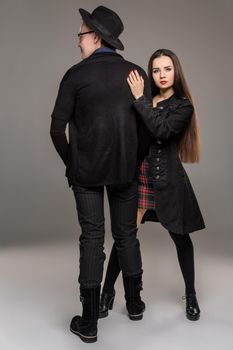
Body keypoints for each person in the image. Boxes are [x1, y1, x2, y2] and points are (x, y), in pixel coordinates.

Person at [50, 6, 152, 343]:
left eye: (80, 34)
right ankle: (135, 305)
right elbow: (148, 130)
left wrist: (72, 163)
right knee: (127, 236)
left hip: (86, 174)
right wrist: (132, 161)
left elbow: (55, 130)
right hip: (125, 171)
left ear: (95, 37)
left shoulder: (75, 75)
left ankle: (90, 322)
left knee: (91, 238)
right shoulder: (136, 74)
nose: (77, 41)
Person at [99, 48, 205, 322]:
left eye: (167, 69)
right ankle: (106, 293)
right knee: (125, 238)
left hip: (169, 182)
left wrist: (138, 99)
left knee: (181, 239)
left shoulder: (183, 105)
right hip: (139, 180)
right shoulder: (144, 100)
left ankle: (191, 294)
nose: (161, 75)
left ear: (176, 71)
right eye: (156, 70)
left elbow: (162, 130)